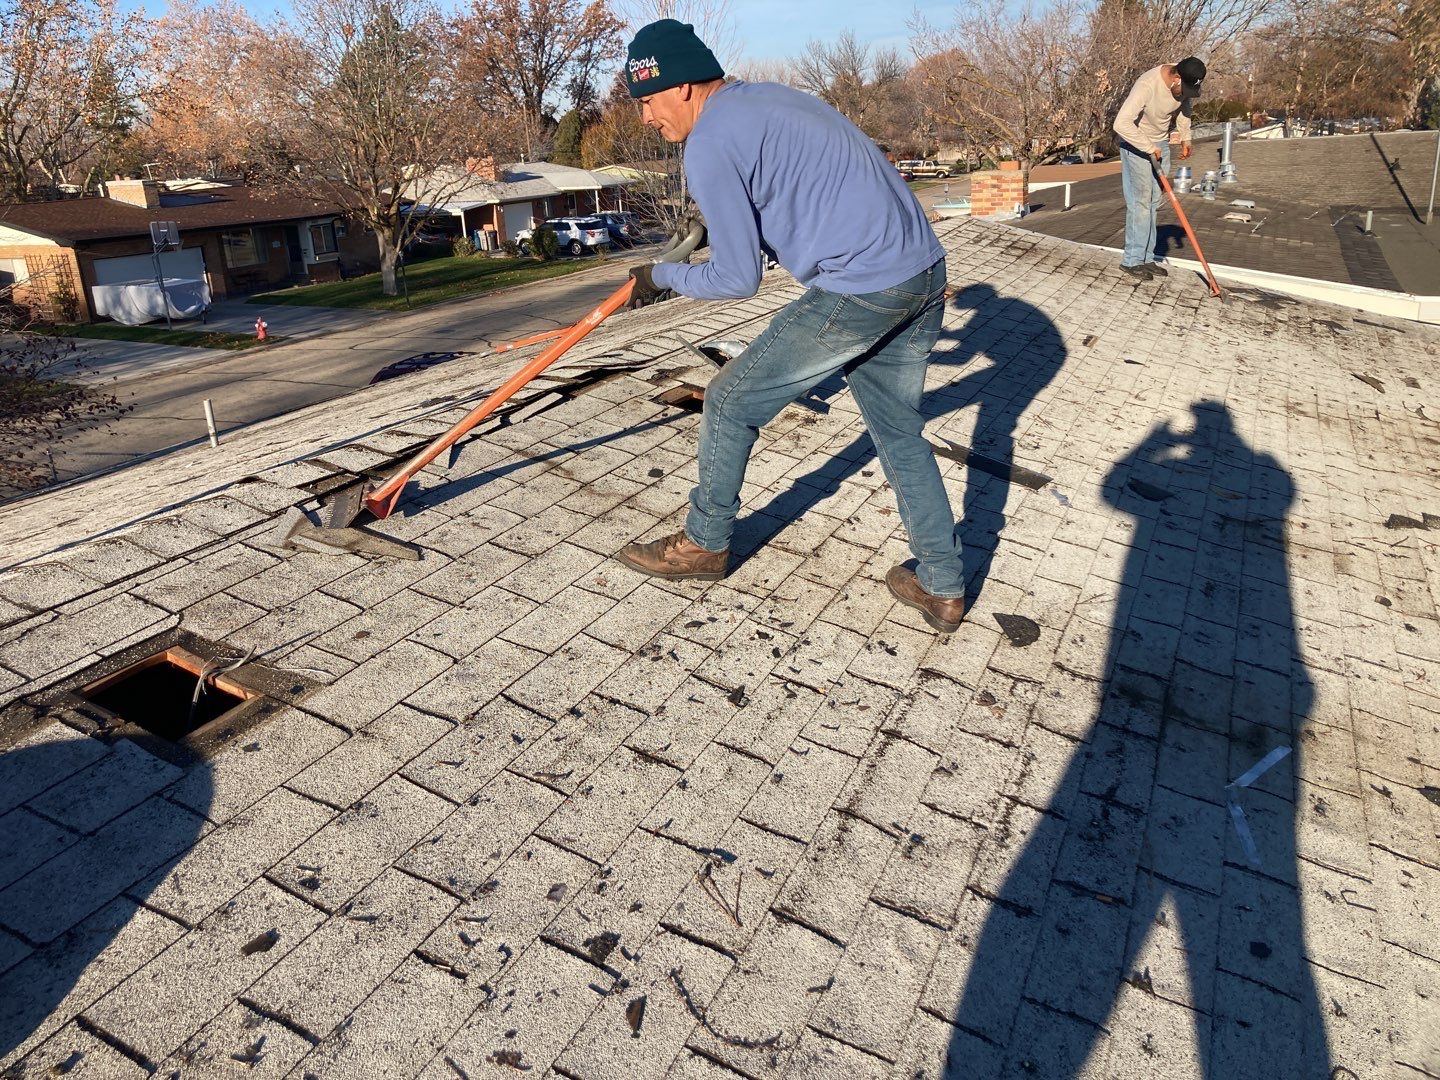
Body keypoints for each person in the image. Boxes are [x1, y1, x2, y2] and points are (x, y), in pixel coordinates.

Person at [611, 19, 967, 633]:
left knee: (728, 400)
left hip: (862, 287)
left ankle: (704, 543)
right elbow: (804, 195)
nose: (645, 118)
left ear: (685, 87)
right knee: (899, 431)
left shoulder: (707, 144)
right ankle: (943, 585)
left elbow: (735, 279)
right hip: (924, 271)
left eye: (646, 101)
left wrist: (660, 279)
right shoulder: (771, 98)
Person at [1112, 57, 1206, 280]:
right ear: (1176, 78)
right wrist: (1148, 147)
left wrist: (1186, 137)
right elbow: (1121, 123)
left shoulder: (1183, 79)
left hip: (1159, 144)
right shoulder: (1147, 85)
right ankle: (1132, 261)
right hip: (1136, 143)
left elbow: (1185, 106)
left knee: (1154, 201)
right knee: (1140, 202)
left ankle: (1146, 258)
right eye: (1184, 88)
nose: (1185, 93)